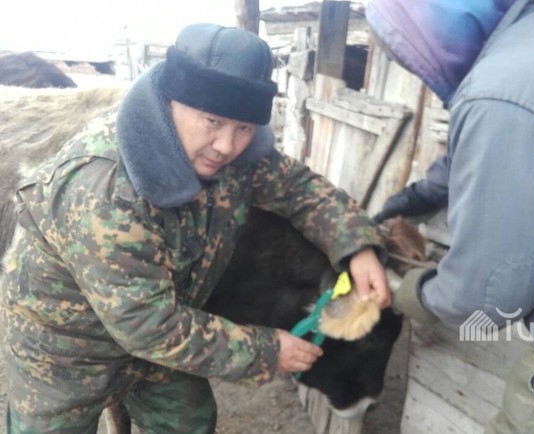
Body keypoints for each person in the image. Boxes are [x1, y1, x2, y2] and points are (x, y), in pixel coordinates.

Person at [0, 23, 390, 434]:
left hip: (156, 325)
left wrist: (357, 246)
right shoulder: (105, 188)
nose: (227, 145)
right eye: (213, 120)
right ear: (171, 101)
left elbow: (298, 188)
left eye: (244, 128)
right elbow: (147, 325)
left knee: (187, 421)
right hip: (66, 350)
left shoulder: (232, 155)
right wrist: (266, 350)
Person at [366, 0, 534, 433]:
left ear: (431, 37)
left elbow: (490, 295)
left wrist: (411, 291)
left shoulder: (497, 94)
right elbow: (500, 148)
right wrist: (416, 198)